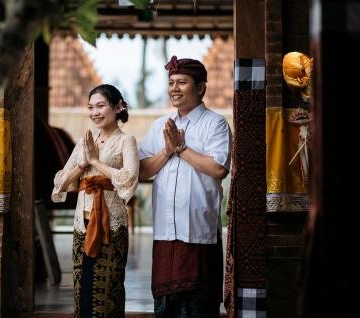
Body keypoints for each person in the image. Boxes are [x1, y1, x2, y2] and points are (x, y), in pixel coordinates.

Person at [138, 56, 232, 318]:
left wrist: (181, 148)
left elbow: (218, 168)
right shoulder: (160, 125)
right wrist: (167, 151)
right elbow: (142, 171)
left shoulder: (215, 123)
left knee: (198, 306)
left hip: (198, 233)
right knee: (165, 307)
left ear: (201, 87)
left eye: (182, 82)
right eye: (171, 83)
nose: (174, 89)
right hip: (165, 234)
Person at [52, 84, 139, 317]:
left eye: (101, 106)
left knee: (108, 292)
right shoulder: (84, 142)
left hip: (111, 226)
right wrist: (82, 164)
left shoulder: (126, 141)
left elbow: (129, 179)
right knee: (84, 294)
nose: (95, 112)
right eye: (91, 107)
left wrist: (96, 162)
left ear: (118, 107)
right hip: (83, 225)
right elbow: (61, 182)